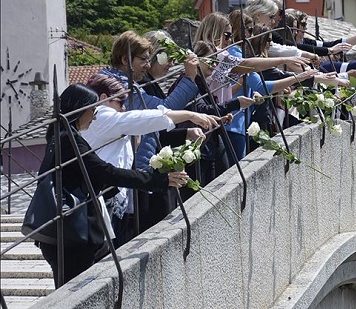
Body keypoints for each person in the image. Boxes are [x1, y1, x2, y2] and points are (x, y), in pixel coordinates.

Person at [36, 83, 189, 288]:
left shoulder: (57, 137)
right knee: (77, 290)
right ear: (80, 110)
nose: (95, 116)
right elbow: (105, 171)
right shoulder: (69, 140)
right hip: (72, 232)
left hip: (61, 231)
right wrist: (158, 181)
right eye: (93, 110)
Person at [83, 74, 221, 247]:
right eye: (121, 102)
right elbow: (143, 119)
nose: (124, 108)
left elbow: (141, 129)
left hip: (111, 197)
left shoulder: (106, 121)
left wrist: (185, 131)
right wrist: (190, 115)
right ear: (104, 98)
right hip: (102, 197)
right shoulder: (102, 115)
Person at [98, 30, 203, 233]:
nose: (147, 65)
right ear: (125, 59)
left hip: (133, 165)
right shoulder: (120, 87)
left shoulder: (126, 83)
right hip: (124, 170)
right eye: (143, 59)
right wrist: (189, 78)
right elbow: (162, 110)